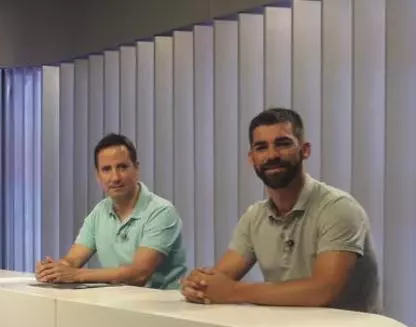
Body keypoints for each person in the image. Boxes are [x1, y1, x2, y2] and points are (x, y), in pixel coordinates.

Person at [181, 107, 379, 312]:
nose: (272, 155)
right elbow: (220, 278)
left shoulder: (338, 208)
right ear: (251, 158)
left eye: (283, 144)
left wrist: (233, 291)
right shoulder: (254, 217)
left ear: (305, 150)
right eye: (261, 148)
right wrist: (199, 285)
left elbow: (323, 290)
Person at [36, 133, 187, 289]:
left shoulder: (161, 211)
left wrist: (76, 275)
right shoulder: (99, 212)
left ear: (136, 169)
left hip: (161, 302)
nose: (115, 177)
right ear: (98, 176)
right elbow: (72, 260)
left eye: (122, 167)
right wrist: (53, 270)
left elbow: (139, 275)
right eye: (106, 169)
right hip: (117, 300)